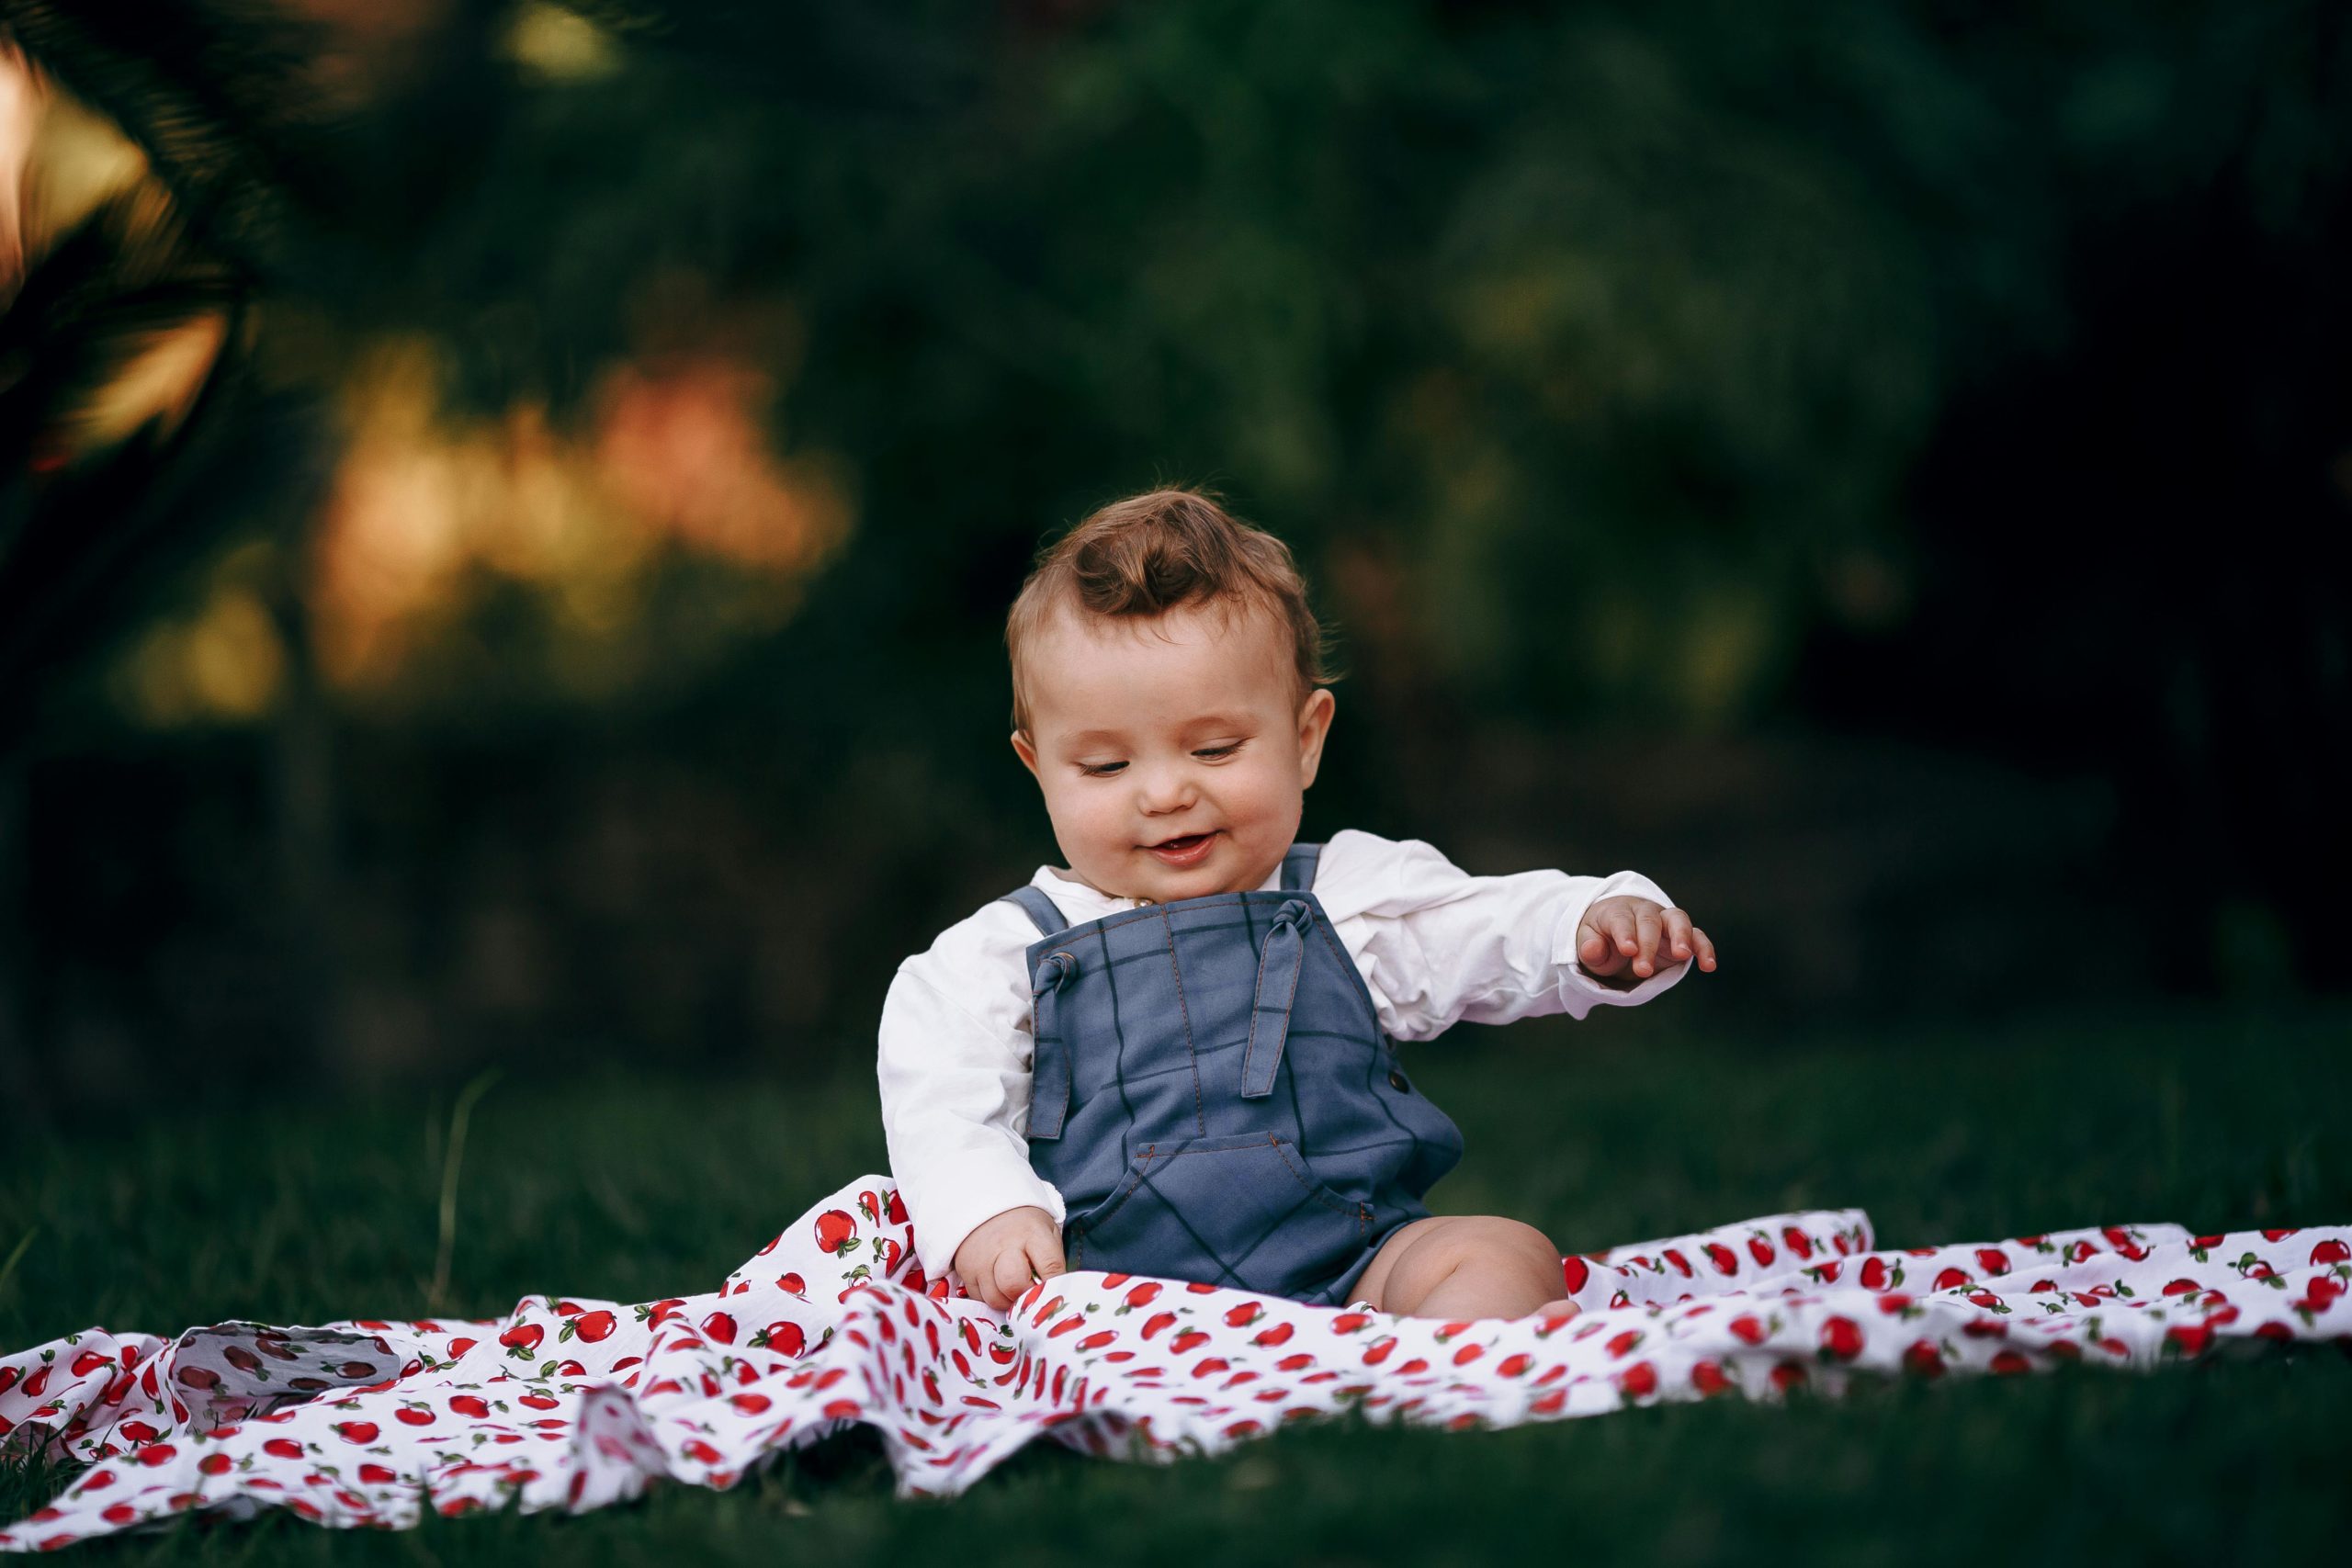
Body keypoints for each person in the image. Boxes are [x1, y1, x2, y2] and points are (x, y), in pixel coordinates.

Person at [876, 489, 1716, 1323]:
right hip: (1114, 1293)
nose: (1166, 792)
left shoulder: (1344, 895)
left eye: (1214, 748)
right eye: (1104, 767)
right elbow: (941, 1090)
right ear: (1038, 769)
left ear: (1305, 737)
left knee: (1504, 1248)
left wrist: (1590, 922)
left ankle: (1472, 1359)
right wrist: (988, 1210)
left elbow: (1482, 921)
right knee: (1007, 1313)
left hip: (1356, 1264)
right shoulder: (1003, 952)